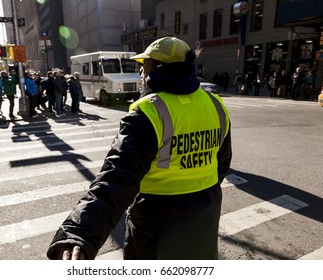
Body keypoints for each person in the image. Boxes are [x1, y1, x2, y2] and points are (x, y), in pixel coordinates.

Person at [47, 36, 232, 260]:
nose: (141, 73)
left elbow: (116, 178)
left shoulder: (149, 111)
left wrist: (79, 232)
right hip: (204, 220)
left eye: (144, 66)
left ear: (158, 67)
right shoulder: (215, 105)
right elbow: (222, 165)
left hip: (156, 228)